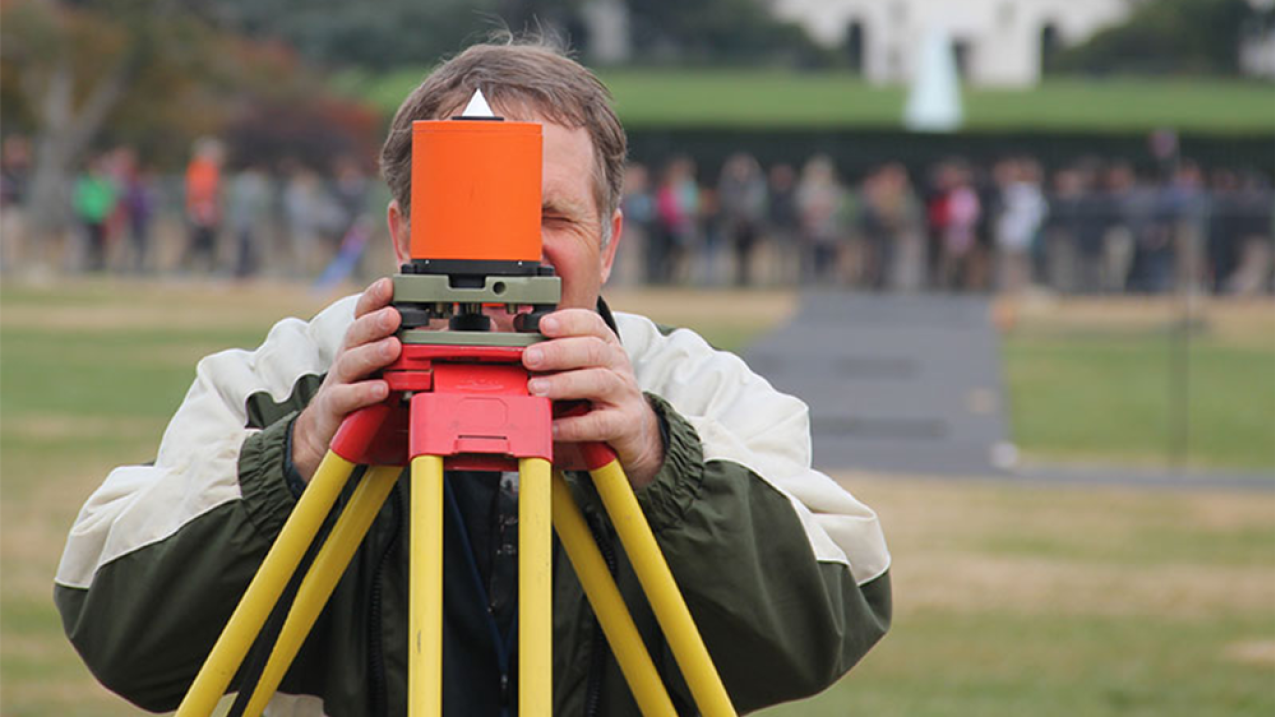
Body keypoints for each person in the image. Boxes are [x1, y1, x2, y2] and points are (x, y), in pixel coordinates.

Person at [55, 38, 891, 717]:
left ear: (609, 241)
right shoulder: (282, 379)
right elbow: (120, 632)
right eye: (473, 211)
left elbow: (824, 624)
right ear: (402, 234)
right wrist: (297, 459)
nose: (508, 254)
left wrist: (656, 465)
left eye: (551, 217)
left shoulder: (699, 393)